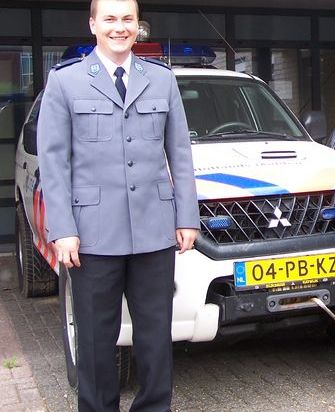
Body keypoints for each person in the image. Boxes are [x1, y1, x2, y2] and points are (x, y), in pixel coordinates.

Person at [36, 0, 200, 410]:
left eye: (127, 19)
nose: (119, 27)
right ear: (93, 24)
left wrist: (187, 217)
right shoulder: (65, 82)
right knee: (94, 344)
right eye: (109, 19)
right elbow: (54, 162)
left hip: (154, 233)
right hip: (91, 236)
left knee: (155, 343)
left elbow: (179, 153)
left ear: (137, 26)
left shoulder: (161, 80)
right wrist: (63, 229)